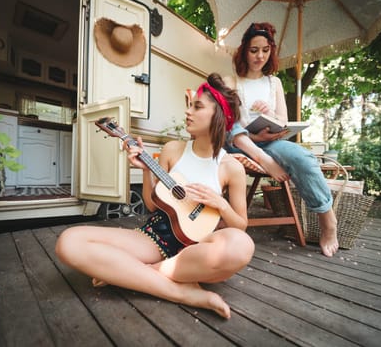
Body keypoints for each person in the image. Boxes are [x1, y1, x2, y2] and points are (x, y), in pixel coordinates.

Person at [55, 73, 254, 319]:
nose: (188, 112)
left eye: (197, 107)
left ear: (219, 117)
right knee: (69, 241)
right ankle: (181, 292)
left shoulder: (231, 168)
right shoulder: (173, 150)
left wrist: (220, 204)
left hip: (198, 249)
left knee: (241, 245)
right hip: (156, 237)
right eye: (189, 106)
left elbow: (240, 225)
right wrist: (147, 170)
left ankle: (138, 273)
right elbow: (152, 205)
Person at [223, 22, 339, 257]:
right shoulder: (231, 81)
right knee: (227, 118)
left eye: (265, 50)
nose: (260, 56)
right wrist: (254, 137)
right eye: (254, 50)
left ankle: (328, 221)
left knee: (303, 157)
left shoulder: (273, 83)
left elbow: (284, 122)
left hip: (270, 141)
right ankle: (263, 158)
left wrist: (270, 115)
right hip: (241, 144)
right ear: (244, 50)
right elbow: (228, 125)